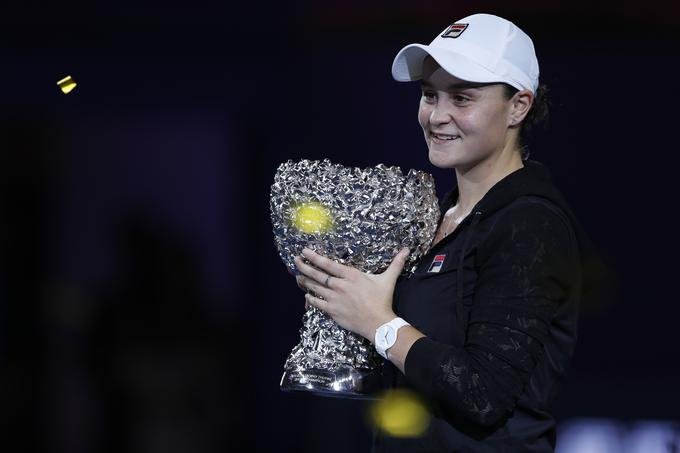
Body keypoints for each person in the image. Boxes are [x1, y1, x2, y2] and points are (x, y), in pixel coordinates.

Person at [293, 13, 601, 452]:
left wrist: (377, 322)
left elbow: (483, 393)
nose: (437, 115)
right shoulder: (438, 216)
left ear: (519, 106)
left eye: (462, 98)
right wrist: (343, 301)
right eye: (429, 95)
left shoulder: (531, 225)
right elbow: (417, 369)